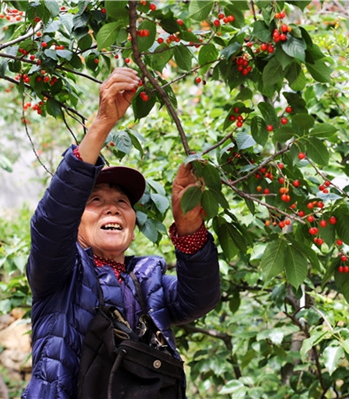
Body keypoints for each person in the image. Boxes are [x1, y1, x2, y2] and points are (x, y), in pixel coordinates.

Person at [22, 67, 221, 398]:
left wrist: (189, 227)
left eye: (121, 201)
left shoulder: (148, 281)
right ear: (76, 220)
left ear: (132, 222)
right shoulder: (59, 274)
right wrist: (102, 123)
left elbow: (200, 297)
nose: (111, 208)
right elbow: (51, 222)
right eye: (95, 200)